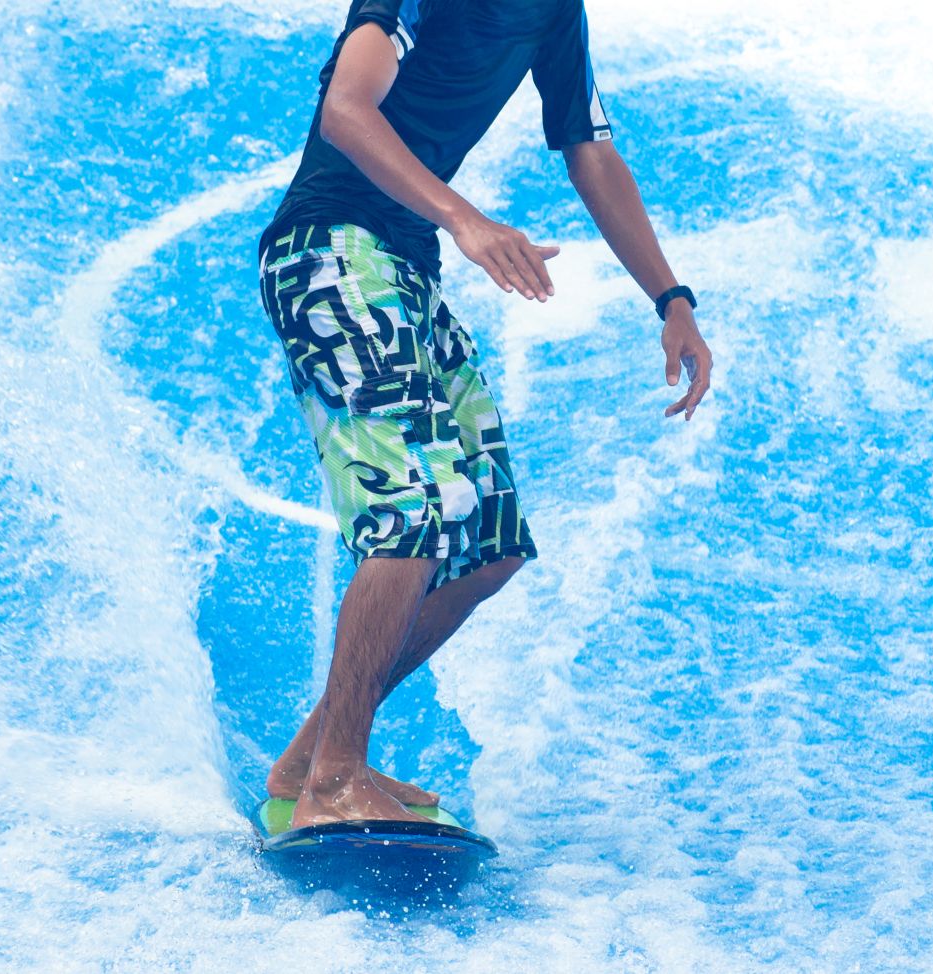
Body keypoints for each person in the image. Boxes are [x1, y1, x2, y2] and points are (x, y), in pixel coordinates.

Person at [256, 0, 713, 827]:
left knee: (490, 546)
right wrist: (463, 218)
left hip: (402, 264)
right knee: (412, 520)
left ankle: (311, 760)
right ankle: (335, 780)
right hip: (327, 250)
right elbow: (347, 109)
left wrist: (670, 298)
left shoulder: (552, 11)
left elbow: (592, 150)